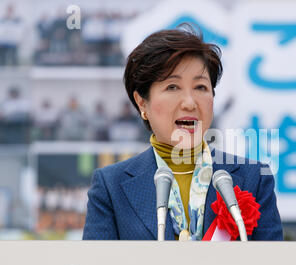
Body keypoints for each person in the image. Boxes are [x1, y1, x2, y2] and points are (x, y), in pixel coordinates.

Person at [82, 24, 283, 241]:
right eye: (172, 87)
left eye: (201, 88)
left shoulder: (253, 178)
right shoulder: (111, 187)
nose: (189, 103)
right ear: (142, 102)